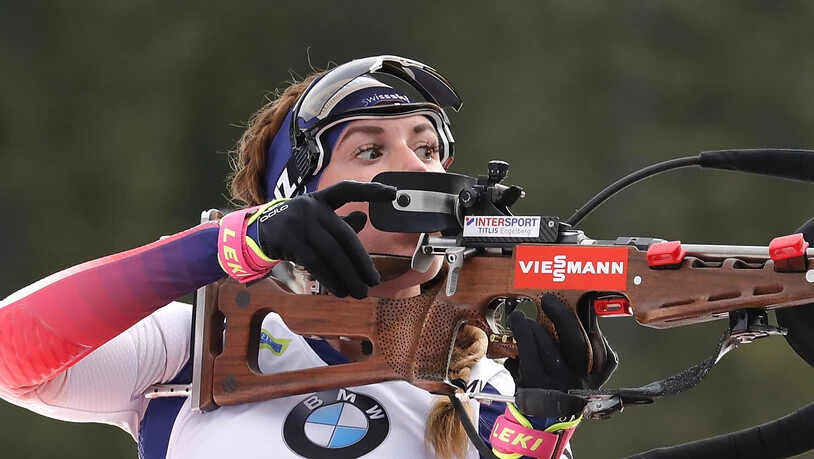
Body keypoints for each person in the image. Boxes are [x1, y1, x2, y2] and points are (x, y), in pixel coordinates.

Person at [0, 55, 615, 459]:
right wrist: (229, 245)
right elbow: (9, 351)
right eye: (369, 152)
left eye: (427, 149)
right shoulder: (194, 345)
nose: (415, 169)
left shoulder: (489, 389)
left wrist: (542, 435)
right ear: (298, 203)